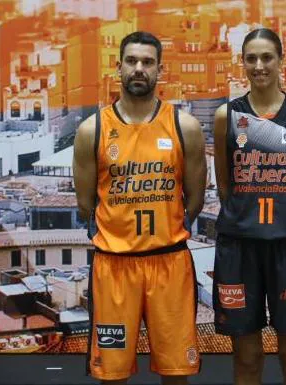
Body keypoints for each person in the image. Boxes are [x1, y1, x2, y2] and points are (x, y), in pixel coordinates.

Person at [73, 31, 207, 385]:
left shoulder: (185, 126)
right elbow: (86, 202)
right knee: (112, 376)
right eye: (131, 61)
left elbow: (196, 199)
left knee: (177, 374)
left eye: (147, 62)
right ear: (118, 67)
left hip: (170, 264)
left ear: (160, 70)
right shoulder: (92, 129)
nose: (139, 69)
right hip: (114, 267)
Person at [212, 28, 286, 385]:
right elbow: (226, 186)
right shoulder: (226, 116)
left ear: (281, 61)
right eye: (251, 58)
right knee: (246, 357)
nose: (259, 66)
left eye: (267, 57)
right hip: (241, 249)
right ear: (242, 63)